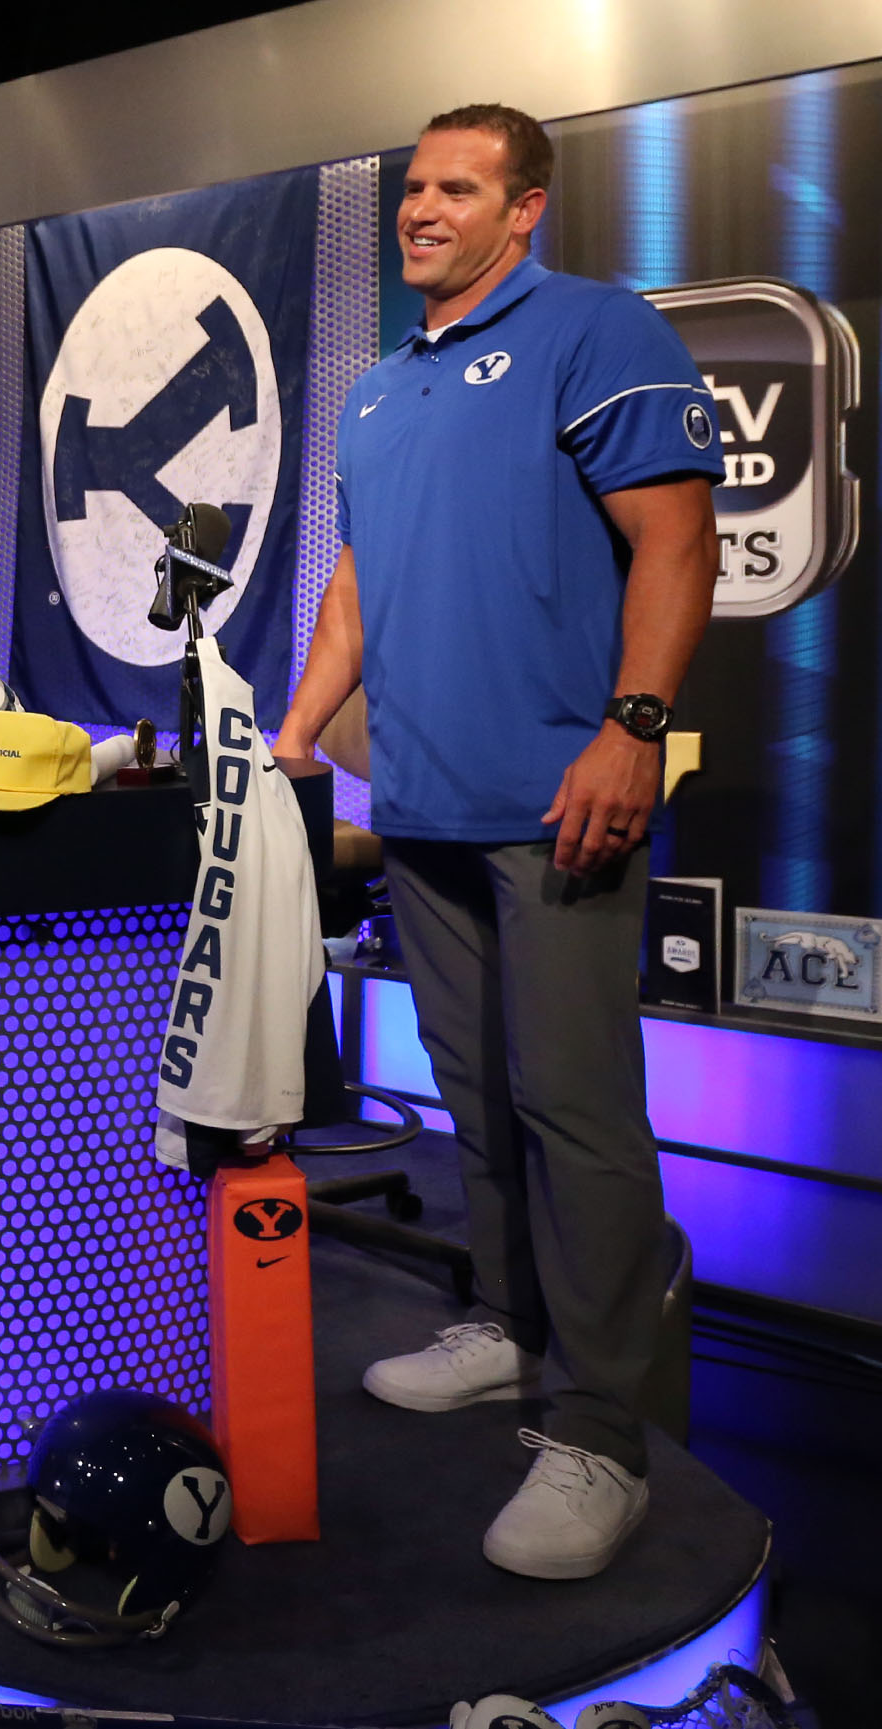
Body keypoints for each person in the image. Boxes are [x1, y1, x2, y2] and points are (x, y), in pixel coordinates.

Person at [274, 104, 721, 1581]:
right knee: (476, 1098)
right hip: (421, 811)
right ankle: (513, 1329)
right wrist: (297, 730)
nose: (422, 210)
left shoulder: (596, 329)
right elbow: (356, 577)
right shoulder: (376, 391)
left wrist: (634, 724)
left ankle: (603, 1430)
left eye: (456, 189)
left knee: (580, 1115)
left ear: (523, 209)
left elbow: (676, 535)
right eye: (411, 187)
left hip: (558, 801)